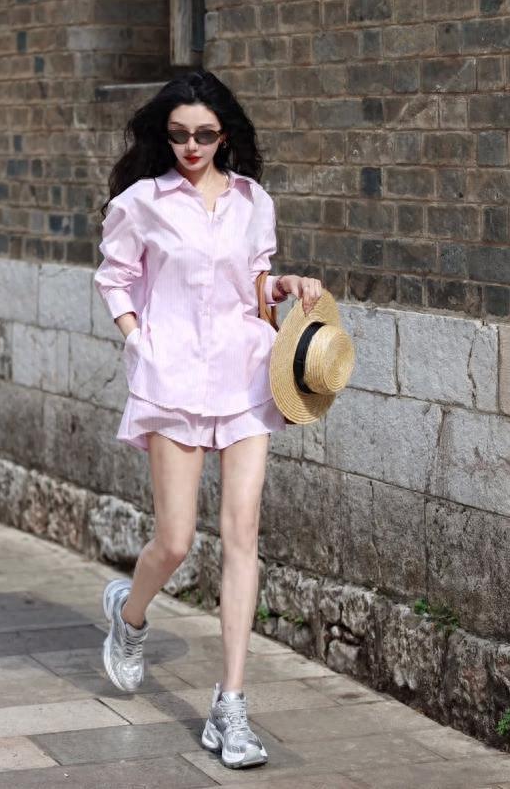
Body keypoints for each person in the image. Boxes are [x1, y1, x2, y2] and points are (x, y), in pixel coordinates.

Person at [93, 69, 324, 769]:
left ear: (225, 135)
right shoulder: (141, 202)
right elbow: (113, 277)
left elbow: (253, 286)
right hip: (173, 381)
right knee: (174, 541)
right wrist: (139, 340)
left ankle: (231, 705)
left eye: (204, 134)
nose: (190, 147)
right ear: (163, 135)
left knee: (242, 534)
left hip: (246, 377)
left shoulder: (254, 201)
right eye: (178, 135)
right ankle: (129, 615)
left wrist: (283, 285)